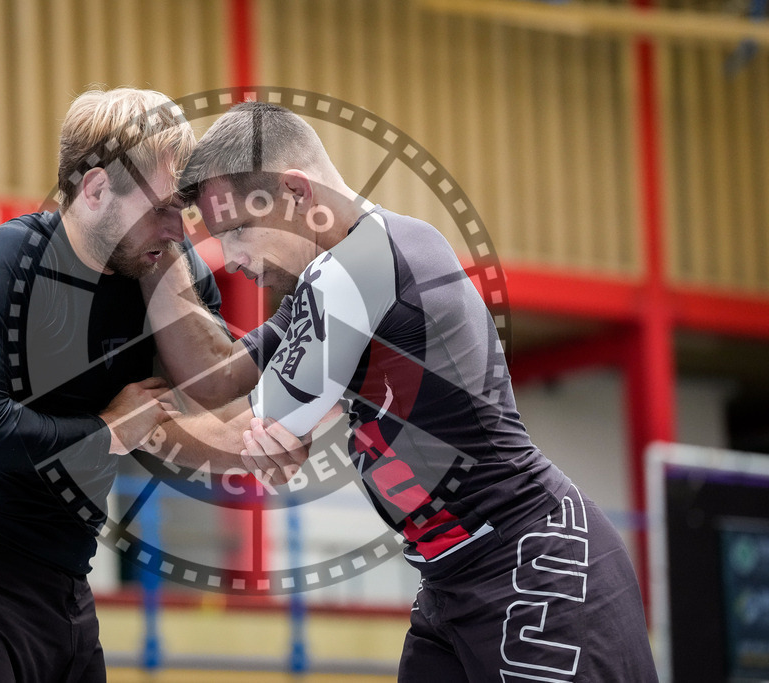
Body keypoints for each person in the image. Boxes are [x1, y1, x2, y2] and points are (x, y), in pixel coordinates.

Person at [144, 101, 659, 681]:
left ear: (294, 192)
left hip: (534, 566)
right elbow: (220, 378)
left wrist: (125, 428)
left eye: (237, 230)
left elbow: (256, 437)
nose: (231, 258)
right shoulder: (351, 262)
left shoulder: (354, 270)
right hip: (453, 579)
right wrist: (159, 261)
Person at [0, 87, 294, 683]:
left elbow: (220, 422)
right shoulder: (5, 262)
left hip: (68, 593)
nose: (178, 230)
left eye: (182, 211)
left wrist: (254, 443)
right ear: (97, 190)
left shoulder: (168, 274)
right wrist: (106, 432)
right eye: (161, 208)